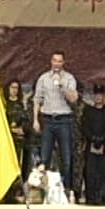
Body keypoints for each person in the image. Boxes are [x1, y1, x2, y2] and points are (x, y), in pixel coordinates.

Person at [33, 51, 77, 192]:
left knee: (66, 158)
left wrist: (62, 85)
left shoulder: (69, 78)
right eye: (54, 60)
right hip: (47, 120)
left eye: (59, 61)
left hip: (64, 120)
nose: (57, 63)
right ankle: (43, 191)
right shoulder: (43, 78)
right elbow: (37, 99)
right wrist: (35, 120)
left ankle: (66, 190)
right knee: (44, 157)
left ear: (63, 63)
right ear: (51, 61)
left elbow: (73, 99)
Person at [83, 84, 105, 204]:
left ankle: (101, 197)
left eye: (100, 95)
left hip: (104, 146)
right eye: (96, 95)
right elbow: (84, 126)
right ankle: (90, 197)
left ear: (104, 97)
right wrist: (93, 138)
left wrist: (102, 139)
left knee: (103, 172)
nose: (98, 98)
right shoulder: (88, 110)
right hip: (91, 145)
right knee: (90, 172)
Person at [3, 79, 29, 168]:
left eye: (16, 88)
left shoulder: (21, 104)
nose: (14, 90)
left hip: (20, 138)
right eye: (12, 87)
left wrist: (22, 129)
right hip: (7, 136)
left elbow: (27, 119)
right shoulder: (4, 103)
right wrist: (11, 130)